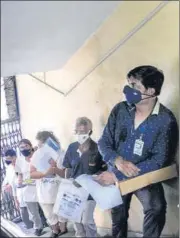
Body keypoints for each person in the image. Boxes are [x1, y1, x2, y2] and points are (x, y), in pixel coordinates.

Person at [96, 65, 179, 238]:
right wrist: (117, 161)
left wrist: (118, 176)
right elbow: (104, 141)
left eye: (134, 86)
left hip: (144, 174)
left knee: (156, 208)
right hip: (117, 168)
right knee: (118, 215)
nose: (128, 90)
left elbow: (159, 160)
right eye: (128, 84)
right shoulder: (121, 110)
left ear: (150, 90)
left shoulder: (165, 120)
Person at [63, 117, 108, 237]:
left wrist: (94, 178)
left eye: (84, 132)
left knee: (87, 220)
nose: (81, 134)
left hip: (90, 190)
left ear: (90, 131)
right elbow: (68, 167)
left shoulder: (97, 148)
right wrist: (67, 186)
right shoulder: (72, 148)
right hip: (74, 189)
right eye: (79, 132)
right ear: (75, 131)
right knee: (76, 219)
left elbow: (104, 170)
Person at [30, 131, 68, 238]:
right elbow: (32, 174)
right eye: (38, 145)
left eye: (42, 144)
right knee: (49, 212)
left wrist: (54, 168)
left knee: (61, 211)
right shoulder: (37, 155)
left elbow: (65, 172)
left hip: (58, 187)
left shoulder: (61, 153)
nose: (40, 147)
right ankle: (55, 231)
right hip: (43, 189)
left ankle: (63, 229)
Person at [15, 139, 44, 236]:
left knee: (46, 207)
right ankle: (38, 227)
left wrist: (26, 181)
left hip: (41, 185)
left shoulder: (37, 157)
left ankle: (53, 225)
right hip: (28, 189)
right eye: (21, 147)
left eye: (26, 146)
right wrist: (20, 180)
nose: (24, 149)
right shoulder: (19, 160)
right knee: (33, 212)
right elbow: (19, 174)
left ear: (31, 146)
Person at [2, 149, 33, 229]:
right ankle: (29, 225)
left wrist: (23, 181)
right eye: (7, 159)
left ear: (14, 157)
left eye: (10, 159)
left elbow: (32, 179)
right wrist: (15, 198)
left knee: (33, 210)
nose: (9, 161)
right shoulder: (9, 168)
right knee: (23, 210)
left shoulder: (24, 164)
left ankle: (39, 226)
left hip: (29, 190)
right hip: (19, 192)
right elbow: (12, 183)